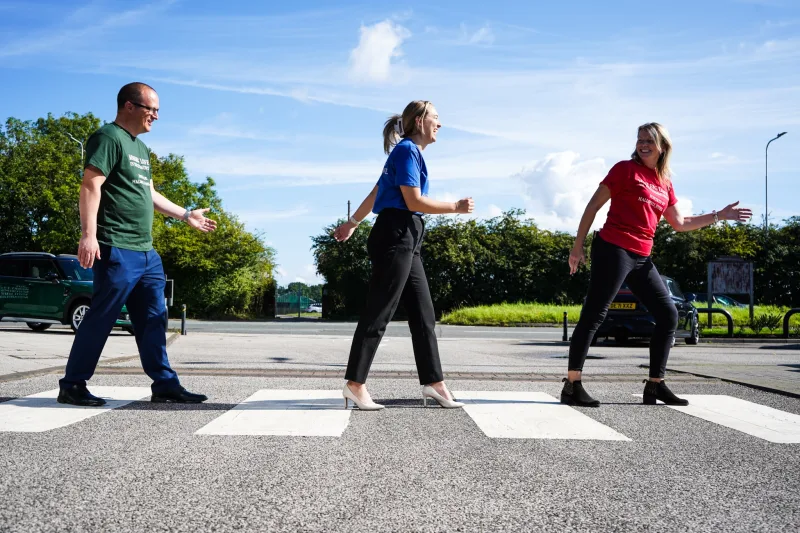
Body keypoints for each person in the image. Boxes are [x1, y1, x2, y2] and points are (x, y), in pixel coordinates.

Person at [563, 122, 752, 407]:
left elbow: (680, 223)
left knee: (668, 314)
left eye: (649, 140)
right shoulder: (624, 170)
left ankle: (655, 385)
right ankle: (572, 384)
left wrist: (719, 215)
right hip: (613, 247)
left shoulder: (664, 182)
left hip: (641, 256)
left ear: (662, 146)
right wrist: (578, 246)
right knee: (595, 314)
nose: (643, 144)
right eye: (640, 140)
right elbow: (593, 206)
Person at [57, 82, 218, 407]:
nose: (156, 116)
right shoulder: (108, 138)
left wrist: (186, 215)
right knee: (102, 316)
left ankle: (164, 384)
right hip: (117, 246)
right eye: (151, 109)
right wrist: (89, 234)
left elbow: (149, 194)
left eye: (157, 110)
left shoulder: (141, 150)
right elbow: (91, 184)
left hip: (146, 252)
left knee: (155, 317)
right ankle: (72, 384)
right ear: (129, 106)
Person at [333, 100, 474, 410]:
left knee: (424, 315)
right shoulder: (407, 150)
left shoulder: (407, 153)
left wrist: (352, 223)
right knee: (379, 312)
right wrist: (456, 207)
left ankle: (434, 383)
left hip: (406, 237)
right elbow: (412, 201)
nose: (440, 123)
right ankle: (355, 385)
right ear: (420, 120)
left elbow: (376, 191)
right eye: (436, 117)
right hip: (396, 234)